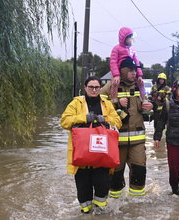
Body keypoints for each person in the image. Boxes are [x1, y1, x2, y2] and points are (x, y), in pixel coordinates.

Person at [60, 76, 122, 214]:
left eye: (96, 87)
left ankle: (100, 214)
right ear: (85, 88)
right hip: (83, 157)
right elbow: (64, 121)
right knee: (83, 196)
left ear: (100, 89)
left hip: (102, 157)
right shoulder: (76, 103)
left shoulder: (106, 103)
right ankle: (86, 214)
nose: (94, 90)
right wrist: (84, 118)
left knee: (102, 192)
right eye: (91, 87)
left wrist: (105, 120)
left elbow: (117, 122)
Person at [109, 57, 153, 198]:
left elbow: (145, 106)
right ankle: (115, 203)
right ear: (123, 71)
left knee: (139, 172)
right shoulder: (112, 85)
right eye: (130, 71)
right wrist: (116, 103)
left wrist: (149, 106)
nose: (134, 73)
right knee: (115, 174)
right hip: (117, 141)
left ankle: (137, 205)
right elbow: (98, 103)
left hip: (138, 141)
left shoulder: (139, 86)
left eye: (135, 71)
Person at [110, 27, 145, 102]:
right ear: (124, 38)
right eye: (130, 38)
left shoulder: (132, 49)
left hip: (131, 66)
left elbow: (136, 62)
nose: (132, 40)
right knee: (115, 83)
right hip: (121, 71)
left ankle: (144, 99)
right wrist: (116, 75)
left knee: (141, 83)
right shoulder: (116, 48)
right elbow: (113, 62)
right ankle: (114, 99)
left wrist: (139, 75)